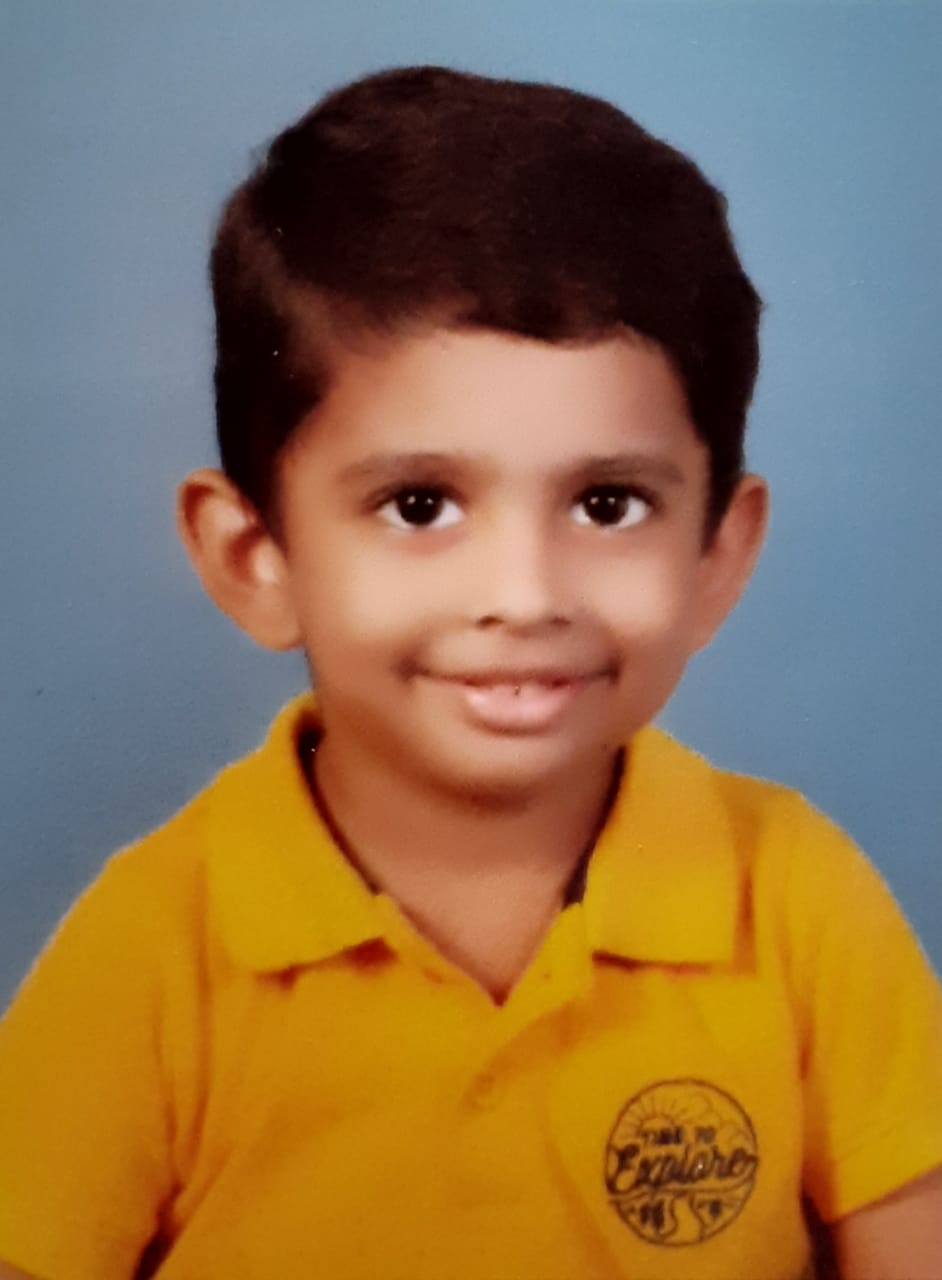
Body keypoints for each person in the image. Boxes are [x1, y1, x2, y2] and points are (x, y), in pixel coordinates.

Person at [0, 65, 939, 1280]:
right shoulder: (150, 950)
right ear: (254, 556)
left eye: (608, 503)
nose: (527, 593)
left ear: (718, 553)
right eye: (419, 504)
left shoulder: (798, 898)